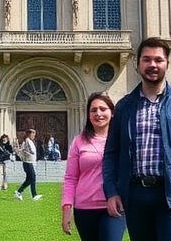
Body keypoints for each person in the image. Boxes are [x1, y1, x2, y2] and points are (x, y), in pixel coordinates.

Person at [103, 37, 171, 240]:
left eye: (158, 60)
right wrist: (112, 191)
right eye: (146, 59)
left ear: (167, 63)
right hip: (135, 196)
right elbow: (111, 154)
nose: (152, 65)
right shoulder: (124, 107)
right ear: (138, 63)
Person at [62, 92, 126, 241]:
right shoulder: (79, 141)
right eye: (93, 110)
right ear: (88, 114)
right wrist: (67, 207)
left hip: (114, 205)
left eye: (103, 109)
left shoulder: (122, 139)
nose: (98, 113)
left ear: (112, 112)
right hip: (84, 208)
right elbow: (71, 177)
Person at [14, 128, 41, 200]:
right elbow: (21, 151)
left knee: (29, 179)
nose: (34, 136)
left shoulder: (29, 141)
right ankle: (34, 195)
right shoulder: (26, 142)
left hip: (30, 162)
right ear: (29, 134)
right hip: (28, 163)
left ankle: (19, 192)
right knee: (33, 178)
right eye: (33, 134)